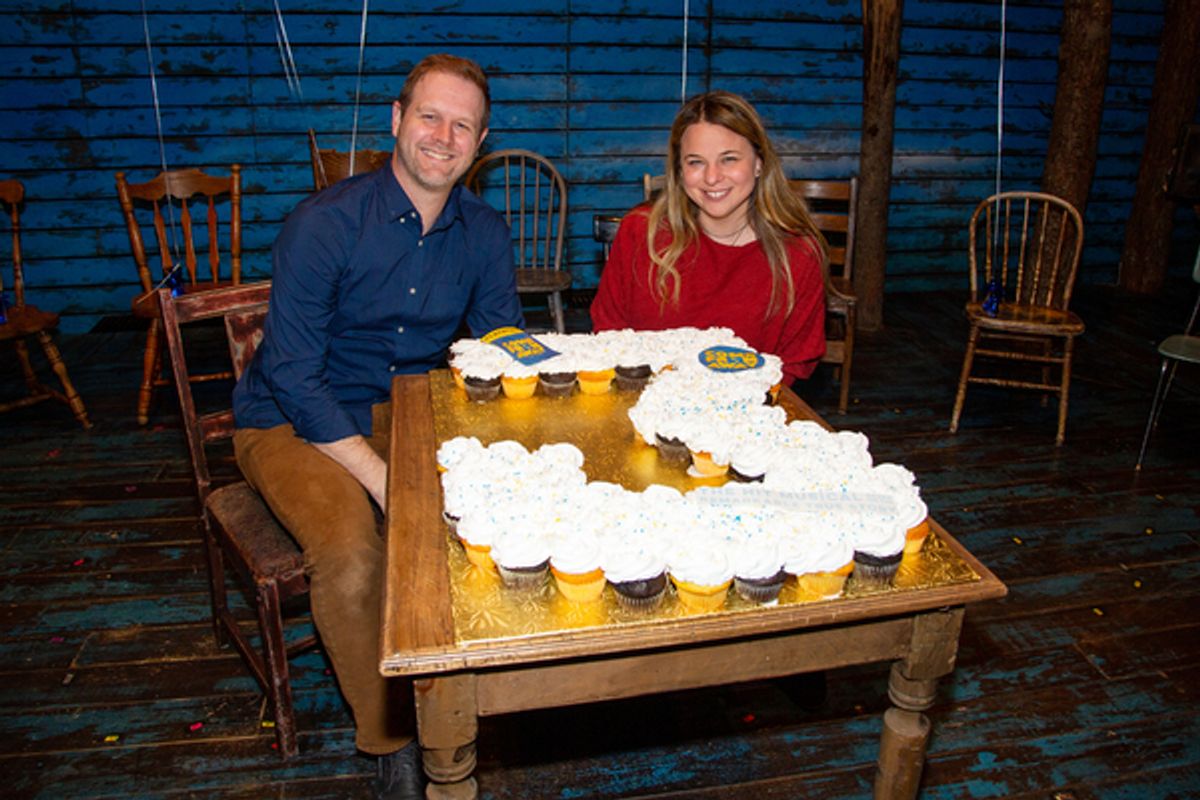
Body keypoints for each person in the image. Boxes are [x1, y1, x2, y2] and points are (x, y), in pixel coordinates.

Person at [232, 54, 521, 800]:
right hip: (292, 419)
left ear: (479, 143)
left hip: (411, 411)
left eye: (463, 124)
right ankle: (392, 739)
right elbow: (293, 373)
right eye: (430, 115)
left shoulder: (484, 230)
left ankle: (477, 694)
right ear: (395, 121)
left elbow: (497, 351)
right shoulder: (323, 224)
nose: (443, 135)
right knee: (357, 556)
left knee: (494, 521)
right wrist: (386, 478)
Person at [590, 90, 828, 386]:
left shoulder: (798, 255)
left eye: (729, 159)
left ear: (758, 163)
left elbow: (794, 364)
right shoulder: (640, 232)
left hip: (741, 419)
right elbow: (609, 332)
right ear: (679, 169)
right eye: (696, 162)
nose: (712, 177)